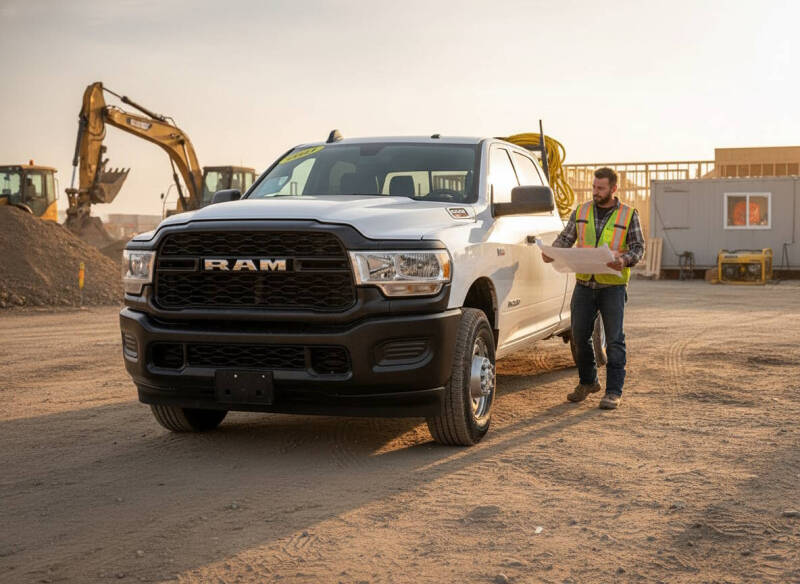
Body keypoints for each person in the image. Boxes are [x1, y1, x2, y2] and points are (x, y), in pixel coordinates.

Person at [542, 167, 645, 409]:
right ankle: (588, 382)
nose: (595, 192)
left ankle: (613, 392)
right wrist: (551, 252)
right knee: (578, 336)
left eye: (601, 188)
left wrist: (623, 260)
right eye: (593, 187)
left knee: (615, 340)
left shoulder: (629, 214)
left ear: (613, 189)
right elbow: (566, 238)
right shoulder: (582, 210)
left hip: (612, 287)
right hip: (584, 285)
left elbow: (638, 248)